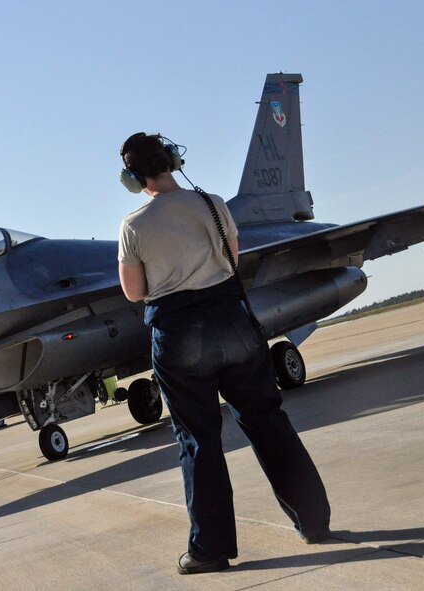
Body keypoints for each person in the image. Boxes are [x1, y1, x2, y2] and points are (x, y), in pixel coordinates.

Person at [117, 132, 331, 575]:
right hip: (233, 322)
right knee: (268, 420)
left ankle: (210, 550)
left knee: (199, 442)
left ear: (133, 178)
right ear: (174, 160)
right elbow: (232, 258)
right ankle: (314, 520)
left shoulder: (133, 226)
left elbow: (135, 292)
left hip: (179, 335)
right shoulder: (212, 204)